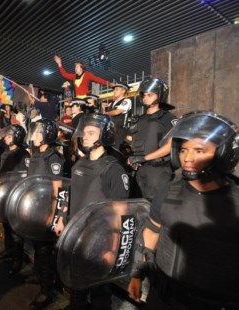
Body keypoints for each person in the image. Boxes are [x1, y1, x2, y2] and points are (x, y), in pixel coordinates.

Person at [128, 111, 239, 309]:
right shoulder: (169, 190)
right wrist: (138, 273)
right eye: (183, 150)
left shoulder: (235, 202)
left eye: (199, 151)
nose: (188, 158)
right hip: (163, 297)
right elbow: (152, 231)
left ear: (223, 153)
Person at [54, 113, 130, 309]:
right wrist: (62, 219)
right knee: (77, 282)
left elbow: (120, 214)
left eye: (90, 133)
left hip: (100, 240)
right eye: (83, 133)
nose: (84, 137)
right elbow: (69, 195)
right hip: (77, 234)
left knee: (99, 291)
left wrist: (112, 249)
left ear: (104, 136)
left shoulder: (114, 169)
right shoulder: (79, 164)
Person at [25, 119, 65, 309]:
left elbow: (58, 189)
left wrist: (54, 214)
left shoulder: (53, 158)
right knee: (36, 245)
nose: (34, 136)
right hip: (34, 207)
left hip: (46, 209)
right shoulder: (35, 155)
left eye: (38, 133)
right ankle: (39, 275)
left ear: (47, 135)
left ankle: (46, 290)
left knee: (45, 250)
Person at [126, 78, 177, 201]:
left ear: (160, 96)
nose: (145, 98)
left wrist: (144, 158)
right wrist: (130, 156)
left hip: (158, 172)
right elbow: (130, 140)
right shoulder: (139, 119)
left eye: (150, 95)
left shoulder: (168, 118)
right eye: (144, 95)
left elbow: (170, 146)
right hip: (138, 170)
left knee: (155, 208)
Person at [0, 124, 30, 275]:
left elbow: (26, 175)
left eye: (9, 136)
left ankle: (18, 259)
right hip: (5, 193)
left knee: (16, 230)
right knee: (6, 226)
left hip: (17, 194)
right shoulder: (5, 153)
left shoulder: (23, 154)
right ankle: (8, 250)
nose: (6, 138)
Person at [102, 83, 132, 149]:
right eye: (114, 90)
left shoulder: (126, 101)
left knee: (117, 149)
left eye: (116, 89)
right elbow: (106, 115)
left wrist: (105, 113)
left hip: (120, 130)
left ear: (123, 91)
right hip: (110, 130)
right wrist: (104, 109)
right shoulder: (111, 103)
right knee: (108, 148)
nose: (114, 91)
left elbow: (116, 112)